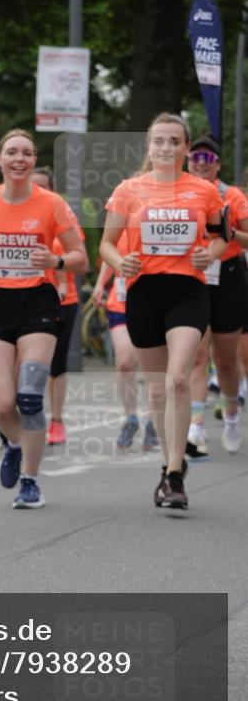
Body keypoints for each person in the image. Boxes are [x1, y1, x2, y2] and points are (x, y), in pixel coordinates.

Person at [100, 114, 227, 510]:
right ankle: (166, 462)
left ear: (186, 148)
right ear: (148, 147)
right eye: (159, 141)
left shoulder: (204, 191)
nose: (166, 148)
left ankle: (175, 471)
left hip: (188, 291)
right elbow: (106, 244)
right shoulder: (128, 190)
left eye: (174, 141)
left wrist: (212, 253)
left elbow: (220, 237)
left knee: (178, 378)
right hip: (143, 293)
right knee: (156, 387)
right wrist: (120, 263)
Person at [0, 130, 86, 508]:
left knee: (30, 397)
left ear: (34, 161)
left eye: (27, 153)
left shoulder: (52, 204)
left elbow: (80, 256)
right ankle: (13, 444)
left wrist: (57, 261)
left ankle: (31, 482)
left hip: (38, 301)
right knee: (2, 403)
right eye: (12, 152)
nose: (20, 159)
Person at [185, 135, 248, 456]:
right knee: (197, 356)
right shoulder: (179, 194)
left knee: (225, 360)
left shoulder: (231, 196)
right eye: (195, 157)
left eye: (208, 159)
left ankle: (232, 418)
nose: (200, 162)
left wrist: (229, 232)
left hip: (228, 275)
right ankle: (196, 428)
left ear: (218, 165)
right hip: (192, 276)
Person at [30, 166, 89, 445]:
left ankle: (57, 420)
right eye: (34, 186)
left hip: (63, 300)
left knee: (56, 365)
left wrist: (63, 281)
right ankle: (32, 415)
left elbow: (73, 253)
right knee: (30, 364)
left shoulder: (62, 215)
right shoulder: (19, 214)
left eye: (43, 186)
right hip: (27, 297)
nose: (38, 191)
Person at [92, 240, 159, 453]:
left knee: (151, 368)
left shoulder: (157, 213)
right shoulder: (120, 217)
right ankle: (131, 419)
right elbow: (109, 251)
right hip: (120, 302)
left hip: (152, 301)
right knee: (124, 362)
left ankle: (153, 421)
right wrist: (100, 284)